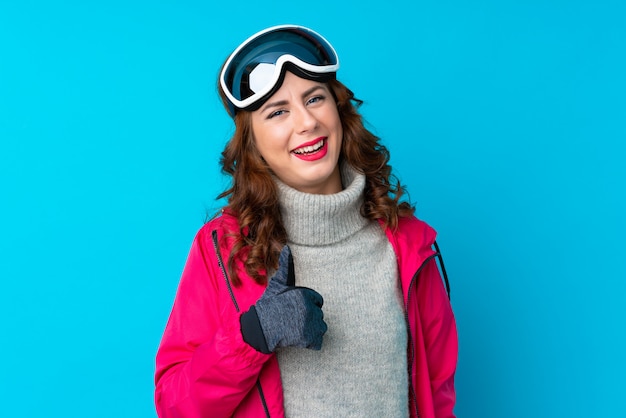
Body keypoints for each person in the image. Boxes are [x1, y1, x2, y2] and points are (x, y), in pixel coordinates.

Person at [154, 25, 458, 418]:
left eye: (314, 98)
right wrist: (252, 336)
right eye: (278, 112)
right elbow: (175, 406)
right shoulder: (222, 247)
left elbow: (437, 395)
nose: (306, 123)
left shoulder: (410, 244)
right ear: (254, 142)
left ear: (339, 111)